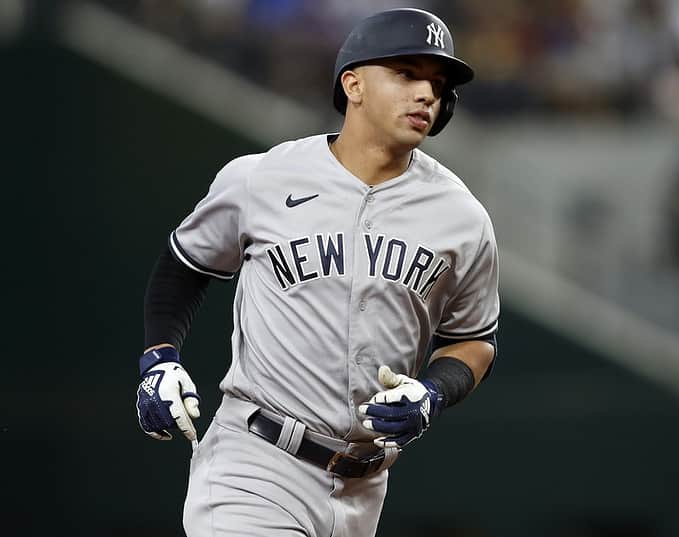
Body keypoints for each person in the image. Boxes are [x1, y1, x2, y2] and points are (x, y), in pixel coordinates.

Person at [134, 8, 499, 536]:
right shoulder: (263, 178)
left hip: (364, 487)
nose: (426, 94)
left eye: (438, 84)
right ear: (352, 84)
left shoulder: (462, 217)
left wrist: (433, 393)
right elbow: (185, 263)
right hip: (254, 463)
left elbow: (474, 340)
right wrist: (159, 359)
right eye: (406, 74)